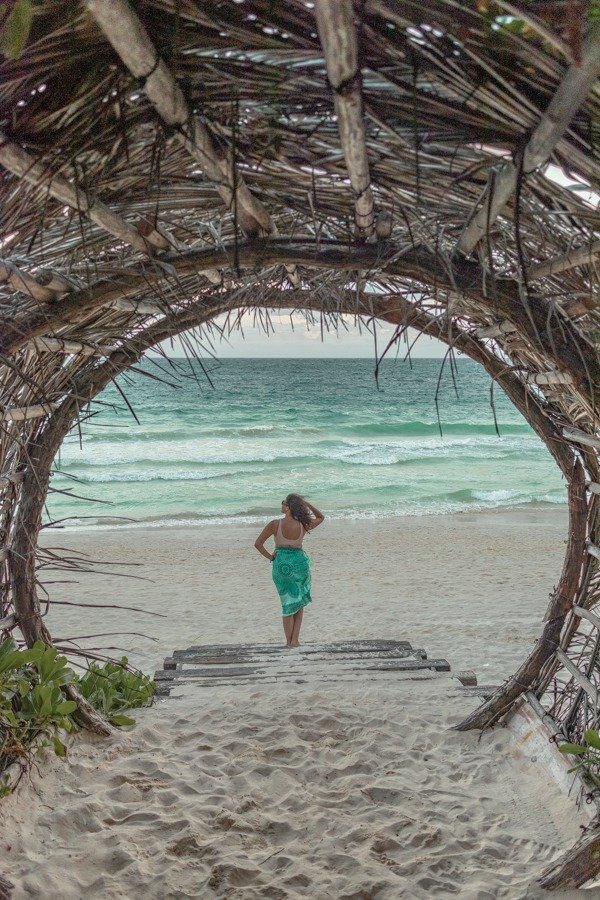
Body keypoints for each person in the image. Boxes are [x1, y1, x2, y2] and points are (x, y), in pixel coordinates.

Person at [254, 494, 325, 647]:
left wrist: (271, 557)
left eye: (283, 503)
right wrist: (306, 503)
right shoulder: (304, 524)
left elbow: (258, 544)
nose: (281, 505)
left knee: (287, 603)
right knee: (299, 602)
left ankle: (288, 642)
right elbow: (321, 517)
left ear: (288, 506)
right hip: (300, 565)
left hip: (282, 566)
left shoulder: (275, 524)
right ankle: (295, 640)